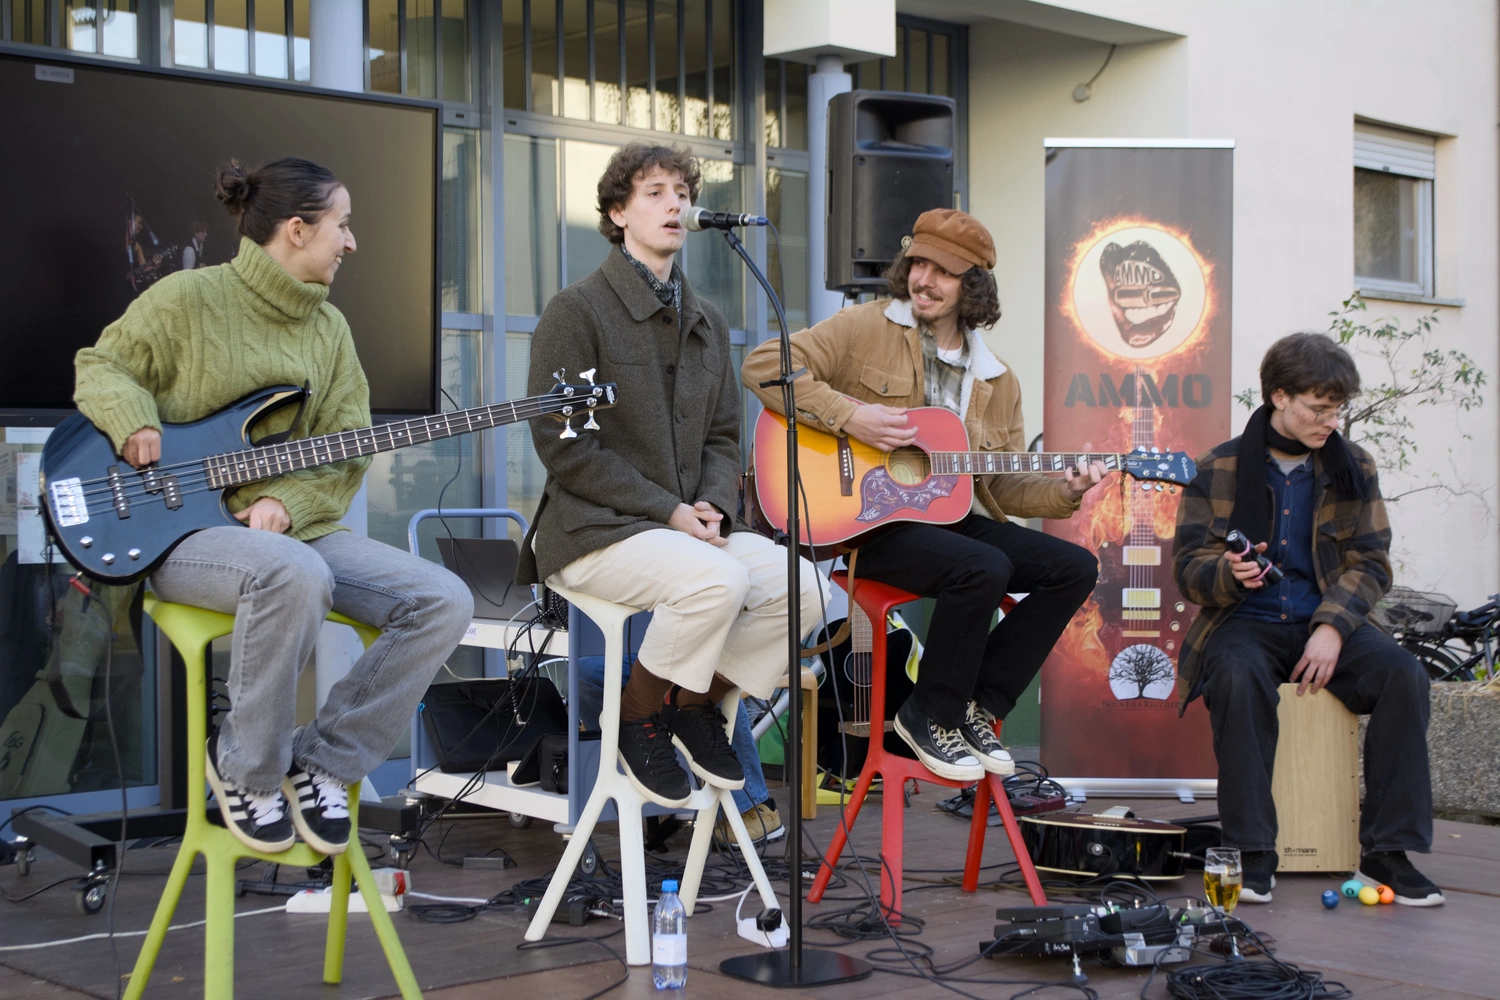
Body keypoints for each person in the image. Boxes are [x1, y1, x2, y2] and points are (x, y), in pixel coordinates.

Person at [74, 158, 473, 855]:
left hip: (295, 534)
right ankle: (247, 772)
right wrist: (134, 417)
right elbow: (101, 366)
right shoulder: (185, 300)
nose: (351, 243)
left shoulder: (330, 331)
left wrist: (282, 501)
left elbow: (347, 449)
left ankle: (323, 760)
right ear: (296, 230)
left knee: (443, 600)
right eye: (341, 226)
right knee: (289, 572)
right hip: (178, 534)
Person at [742, 208, 1105, 782]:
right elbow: (764, 365)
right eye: (918, 263)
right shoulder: (864, 328)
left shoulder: (995, 378)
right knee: (983, 566)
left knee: (1075, 566)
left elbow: (1001, 480)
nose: (924, 279)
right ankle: (927, 712)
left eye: (944, 271)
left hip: (953, 521)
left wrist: (1065, 491)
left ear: (974, 286)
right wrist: (852, 416)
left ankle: (976, 705)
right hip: (868, 524)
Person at [516, 142, 824, 810]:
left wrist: (712, 503)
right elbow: (564, 447)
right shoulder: (576, 311)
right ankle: (634, 716)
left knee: (806, 588)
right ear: (617, 211)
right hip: (595, 531)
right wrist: (669, 511)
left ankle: (691, 704)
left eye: (682, 191)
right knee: (720, 579)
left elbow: (722, 436)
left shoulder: (708, 320)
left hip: (686, 532)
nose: (676, 204)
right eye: (654, 191)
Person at [1172, 333, 1441, 906]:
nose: (1330, 420)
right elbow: (1187, 571)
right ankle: (1252, 851)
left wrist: (1332, 627)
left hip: (1326, 619)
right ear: (1279, 396)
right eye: (1319, 408)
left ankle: (1386, 851)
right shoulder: (1216, 467)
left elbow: (1370, 561)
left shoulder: (1354, 465)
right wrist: (1227, 573)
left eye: (1337, 408)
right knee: (1237, 677)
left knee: (1403, 675)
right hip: (1243, 620)